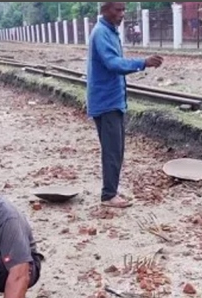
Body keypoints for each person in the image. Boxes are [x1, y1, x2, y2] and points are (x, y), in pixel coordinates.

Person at [87, 2, 163, 209]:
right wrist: (143, 62)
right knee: (112, 150)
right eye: (117, 10)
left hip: (113, 100)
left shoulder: (109, 31)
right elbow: (113, 63)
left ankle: (111, 191)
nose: (122, 14)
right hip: (106, 102)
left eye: (123, 9)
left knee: (116, 149)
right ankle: (108, 195)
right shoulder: (102, 33)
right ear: (104, 10)